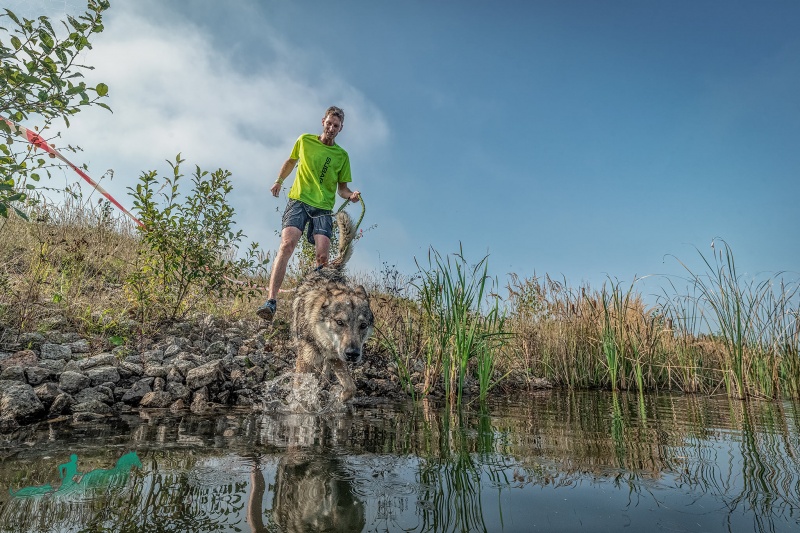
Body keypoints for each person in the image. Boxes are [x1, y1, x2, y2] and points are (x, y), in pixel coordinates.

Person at [257, 106, 362, 320]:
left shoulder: (342, 156)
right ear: (323, 121)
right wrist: (279, 181)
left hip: (323, 208)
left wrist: (350, 195)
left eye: (336, 126)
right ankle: (271, 302)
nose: (331, 128)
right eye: (329, 123)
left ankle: (316, 311)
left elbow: (342, 188)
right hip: (299, 201)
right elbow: (291, 161)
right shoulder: (305, 140)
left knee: (323, 258)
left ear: (341, 129)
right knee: (287, 245)